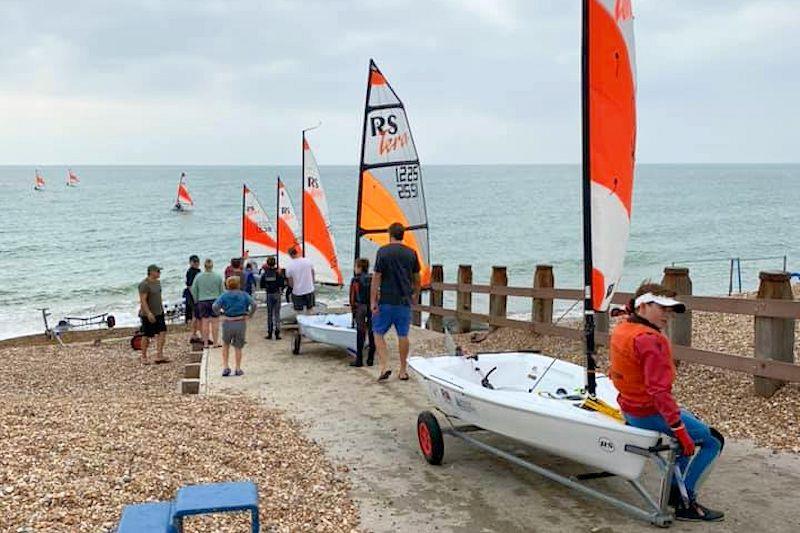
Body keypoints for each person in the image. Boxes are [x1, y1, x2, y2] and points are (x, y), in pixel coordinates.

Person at [609, 282, 724, 522]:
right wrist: (679, 429)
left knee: (688, 431)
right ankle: (685, 501)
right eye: (662, 308)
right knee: (712, 440)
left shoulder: (623, 328)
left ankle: (675, 493)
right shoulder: (650, 340)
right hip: (650, 412)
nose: (668, 316)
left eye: (670, 311)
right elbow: (659, 393)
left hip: (631, 409)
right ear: (643, 306)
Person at [371, 222, 420, 381]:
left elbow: (377, 277)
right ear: (403, 235)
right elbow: (417, 278)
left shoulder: (383, 252)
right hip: (404, 301)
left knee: (378, 333)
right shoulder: (411, 253)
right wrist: (416, 294)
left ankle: (385, 365)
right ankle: (403, 370)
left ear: (390, 234)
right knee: (403, 335)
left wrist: (373, 300)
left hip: (386, 300)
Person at [212, 276, 257, 377]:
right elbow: (254, 304)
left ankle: (226, 367)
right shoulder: (244, 295)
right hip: (240, 322)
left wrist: (219, 314)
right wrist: (250, 314)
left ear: (227, 285)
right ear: (238, 284)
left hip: (228, 322)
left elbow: (215, 306)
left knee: (225, 345)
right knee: (238, 346)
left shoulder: (224, 296)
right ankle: (238, 368)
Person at [138, 264, 169, 364]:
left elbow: (158, 297)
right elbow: (143, 300)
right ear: (151, 272)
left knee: (162, 332)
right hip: (148, 313)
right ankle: (143, 356)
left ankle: (159, 355)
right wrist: (148, 313)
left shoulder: (158, 283)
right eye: (158, 271)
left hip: (159, 311)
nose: (159, 273)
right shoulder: (144, 284)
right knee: (146, 335)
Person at [191, 258, 224, 348]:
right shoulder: (218, 276)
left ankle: (205, 343)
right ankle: (215, 343)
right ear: (212, 266)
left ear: (204, 266)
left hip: (202, 301)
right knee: (215, 323)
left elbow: (194, 289)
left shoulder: (198, 276)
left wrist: (196, 300)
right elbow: (222, 290)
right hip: (215, 300)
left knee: (205, 323)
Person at [349, 258, 376, 367]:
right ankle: (370, 359)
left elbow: (352, 297)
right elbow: (376, 293)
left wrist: (353, 310)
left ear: (359, 268)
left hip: (360, 307)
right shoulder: (372, 278)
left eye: (355, 266)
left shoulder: (355, 280)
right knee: (372, 332)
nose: (355, 269)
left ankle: (359, 359)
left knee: (360, 333)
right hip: (371, 306)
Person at [285, 247, 315, 313]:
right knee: (310, 309)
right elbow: (313, 274)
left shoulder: (289, 266)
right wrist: (311, 284)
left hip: (297, 291)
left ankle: (301, 321)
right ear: (297, 252)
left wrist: (293, 287)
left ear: (290, 255)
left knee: (298, 311)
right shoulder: (308, 261)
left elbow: (290, 283)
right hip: (309, 289)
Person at [260, 256, 284, 339]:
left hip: (269, 294)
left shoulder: (265, 274)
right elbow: (282, 284)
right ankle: (277, 333)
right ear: (275, 263)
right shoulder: (278, 273)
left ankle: (270, 333)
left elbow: (262, 285)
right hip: (277, 294)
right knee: (277, 314)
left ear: (267, 263)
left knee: (269, 314)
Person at [184, 255, 202, 339]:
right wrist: (195, 297)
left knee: (196, 315)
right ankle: (194, 334)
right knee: (195, 314)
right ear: (190, 262)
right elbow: (190, 286)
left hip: (195, 294)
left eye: (197, 261)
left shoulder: (197, 271)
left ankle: (195, 333)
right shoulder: (191, 272)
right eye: (194, 262)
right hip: (192, 295)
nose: (196, 263)